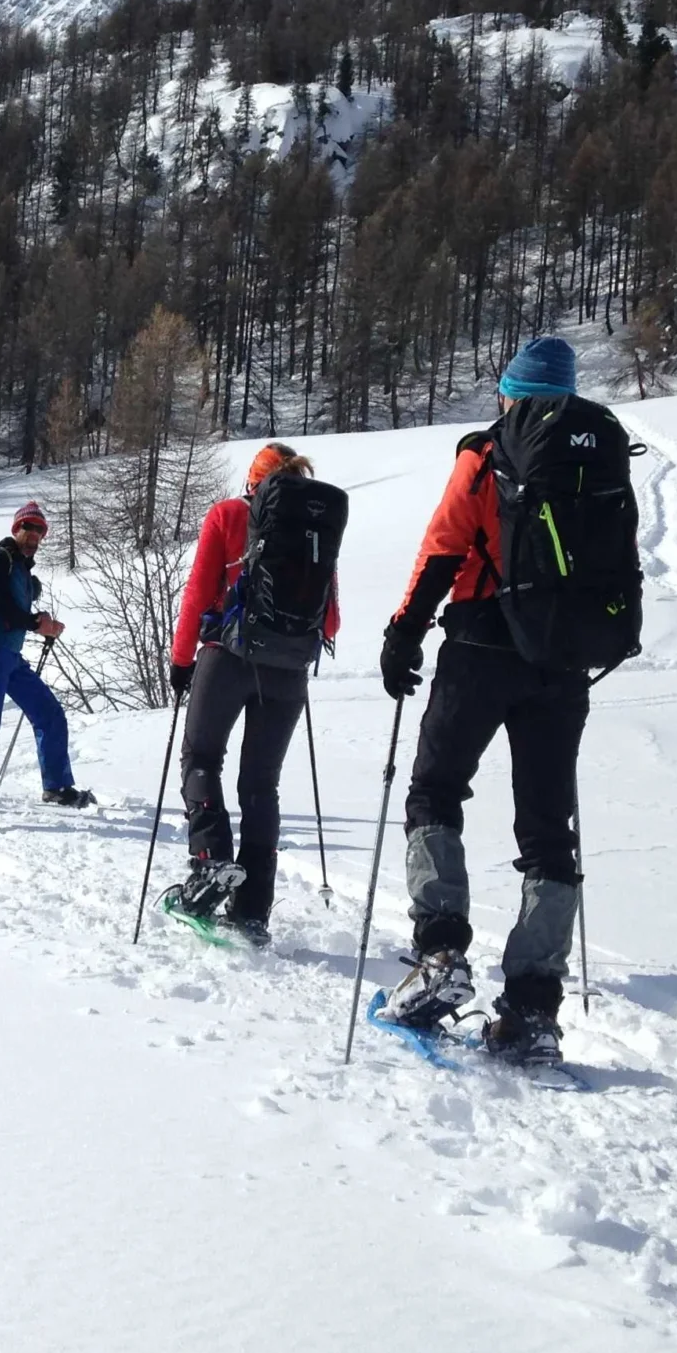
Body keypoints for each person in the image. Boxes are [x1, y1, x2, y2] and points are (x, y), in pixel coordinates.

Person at [377, 336, 597, 1067]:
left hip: (478, 649)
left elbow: (442, 548)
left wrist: (403, 634)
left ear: (511, 392)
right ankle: (533, 1010)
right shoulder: (595, 457)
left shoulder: (488, 452)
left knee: (435, 792)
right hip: (563, 665)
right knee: (546, 826)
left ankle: (440, 957)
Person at [163, 444, 340, 945]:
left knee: (201, 759)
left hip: (228, 657)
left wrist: (181, 661)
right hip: (288, 670)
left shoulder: (227, 514)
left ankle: (211, 863)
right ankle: (253, 911)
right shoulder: (313, 530)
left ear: (253, 479)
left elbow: (199, 592)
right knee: (262, 785)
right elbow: (331, 619)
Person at [0, 501, 89, 808]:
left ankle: (57, 786)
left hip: (10, 656)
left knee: (50, 714)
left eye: (39, 530)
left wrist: (39, 621)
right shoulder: (0, 559)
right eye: (28, 528)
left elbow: (14, 609)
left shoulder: (23, 572)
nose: (34, 535)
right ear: (16, 529)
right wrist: (36, 623)